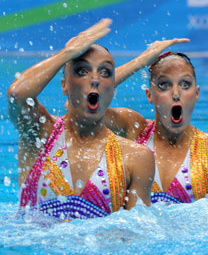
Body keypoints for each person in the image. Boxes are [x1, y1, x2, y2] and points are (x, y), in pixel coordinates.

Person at [7, 19, 155, 220]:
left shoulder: (137, 157)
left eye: (105, 73)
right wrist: (67, 53)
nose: (94, 79)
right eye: (82, 71)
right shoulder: (41, 134)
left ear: (112, 88)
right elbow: (17, 95)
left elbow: (139, 236)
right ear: (64, 85)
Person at [106, 44, 208, 204]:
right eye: (164, 85)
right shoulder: (134, 130)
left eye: (185, 84)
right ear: (149, 95)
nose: (176, 94)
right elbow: (81, 103)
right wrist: (140, 61)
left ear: (196, 93)